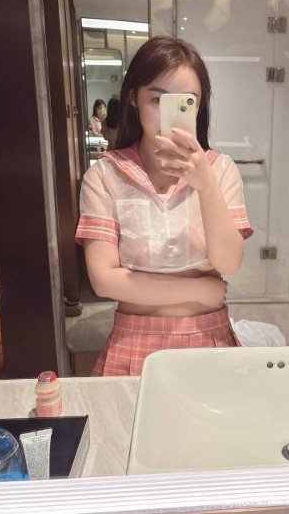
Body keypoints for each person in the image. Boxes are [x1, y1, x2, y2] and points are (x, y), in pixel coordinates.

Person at [75, 36, 253, 376]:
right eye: (157, 99)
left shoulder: (220, 170)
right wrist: (198, 288)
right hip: (132, 339)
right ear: (133, 97)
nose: (168, 114)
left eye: (186, 102)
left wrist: (206, 186)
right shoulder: (106, 175)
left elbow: (228, 262)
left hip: (208, 335)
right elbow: (104, 281)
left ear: (199, 105)